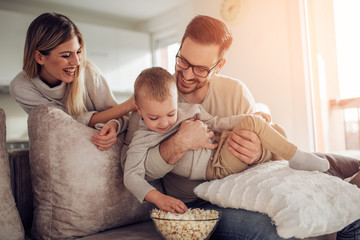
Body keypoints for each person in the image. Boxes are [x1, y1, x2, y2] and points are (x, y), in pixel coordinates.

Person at [135, 15, 359, 239]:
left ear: (219, 66)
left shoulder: (235, 91)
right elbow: (145, 169)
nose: (187, 74)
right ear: (180, 47)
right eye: (182, 61)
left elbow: (268, 143)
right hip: (197, 204)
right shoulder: (159, 96)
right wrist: (179, 142)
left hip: (243, 186)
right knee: (269, 230)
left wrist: (259, 153)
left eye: (201, 69)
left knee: (349, 190)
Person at [124, 66, 331, 208]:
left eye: (171, 113)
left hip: (222, 143)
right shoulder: (142, 138)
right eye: (154, 117)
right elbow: (131, 176)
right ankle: (297, 156)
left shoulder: (188, 110)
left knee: (275, 129)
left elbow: (217, 122)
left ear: (176, 102)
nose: (164, 123)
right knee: (254, 126)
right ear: (139, 110)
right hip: (217, 165)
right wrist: (159, 199)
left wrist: (248, 118)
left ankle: (287, 155)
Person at [9, 12, 134, 150]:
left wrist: (114, 124)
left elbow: (121, 117)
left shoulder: (89, 73)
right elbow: (67, 123)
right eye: (66, 55)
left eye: (78, 52)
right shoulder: (22, 87)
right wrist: (127, 105)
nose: (76, 62)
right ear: (39, 57)